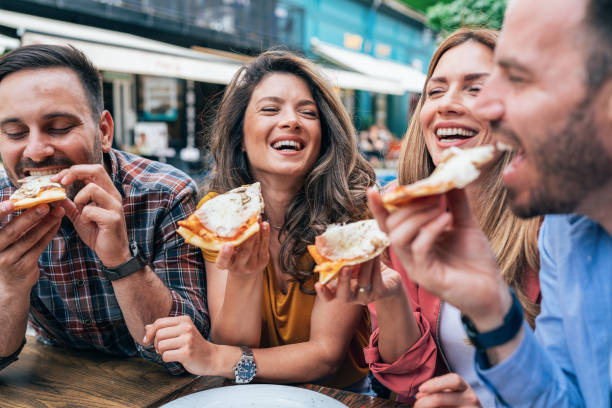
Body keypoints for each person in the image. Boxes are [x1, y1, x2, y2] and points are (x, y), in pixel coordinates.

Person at [366, 0, 612, 406]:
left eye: (520, 78)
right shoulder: (568, 232)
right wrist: (494, 311)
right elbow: (563, 399)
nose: (486, 108)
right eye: (435, 90)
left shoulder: (547, 224)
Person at [329, 29, 542, 407]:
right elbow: (408, 385)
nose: (446, 105)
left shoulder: (554, 226)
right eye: (435, 91)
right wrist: (390, 295)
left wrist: (490, 402)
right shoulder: (399, 212)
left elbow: (583, 384)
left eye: (475, 89)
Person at [143, 50, 376, 390]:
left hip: (340, 394)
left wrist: (211, 359)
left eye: (307, 113)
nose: (291, 121)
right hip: (252, 391)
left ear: (324, 135)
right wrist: (245, 276)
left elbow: (326, 356)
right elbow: (234, 342)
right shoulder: (216, 213)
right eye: (270, 109)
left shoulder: (351, 212)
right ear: (239, 135)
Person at [0, 44, 209, 374]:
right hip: (54, 378)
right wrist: (9, 286)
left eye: (59, 127)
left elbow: (186, 354)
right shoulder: (2, 211)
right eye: (15, 132)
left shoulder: (165, 195)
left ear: (104, 131)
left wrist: (122, 260)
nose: (37, 151)